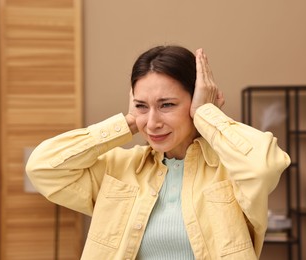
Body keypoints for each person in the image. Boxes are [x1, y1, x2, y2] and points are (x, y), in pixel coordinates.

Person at [26, 45, 291, 260]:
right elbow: (42, 167)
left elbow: (263, 168)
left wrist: (206, 114)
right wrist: (130, 121)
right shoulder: (118, 169)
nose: (152, 123)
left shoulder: (229, 169)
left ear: (196, 100)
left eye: (167, 105)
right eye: (142, 105)